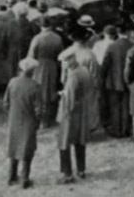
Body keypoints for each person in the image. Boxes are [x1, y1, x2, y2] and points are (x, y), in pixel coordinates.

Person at [5, 57, 43, 189]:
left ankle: (11, 176)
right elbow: (38, 109)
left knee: (14, 146)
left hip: (14, 119)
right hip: (29, 121)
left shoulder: (12, 82)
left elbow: (6, 103)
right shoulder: (35, 86)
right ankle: (25, 179)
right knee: (27, 150)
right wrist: (38, 122)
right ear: (32, 71)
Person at [57, 52, 94, 184]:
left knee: (64, 143)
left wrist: (65, 107)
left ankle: (67, 173)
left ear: (70, 61)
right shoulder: (84, 70)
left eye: (64, 63)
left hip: (71, 113)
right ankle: (81, 169)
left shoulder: (72, 75)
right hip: (82, 109)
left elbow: (70, 98)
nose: (64, 66)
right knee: (80, 141)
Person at [28, 16, 64, 127]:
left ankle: (39, 117)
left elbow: (31, 55)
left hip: (39, 66)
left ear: (41, 26)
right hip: (52, 65)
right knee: (50, 90)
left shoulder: (37, 38)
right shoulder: (57, 38)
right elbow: (60, 54)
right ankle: (48, 118)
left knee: (39, 90)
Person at [101, 26, 134, 138]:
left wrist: (102, 78)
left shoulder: (112, 46)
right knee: (126, 105)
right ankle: (126, 129)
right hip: (128, 80)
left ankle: (117, 129)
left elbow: (105, 64)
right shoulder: (132, 45)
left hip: (113, 81)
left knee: (115, 106)